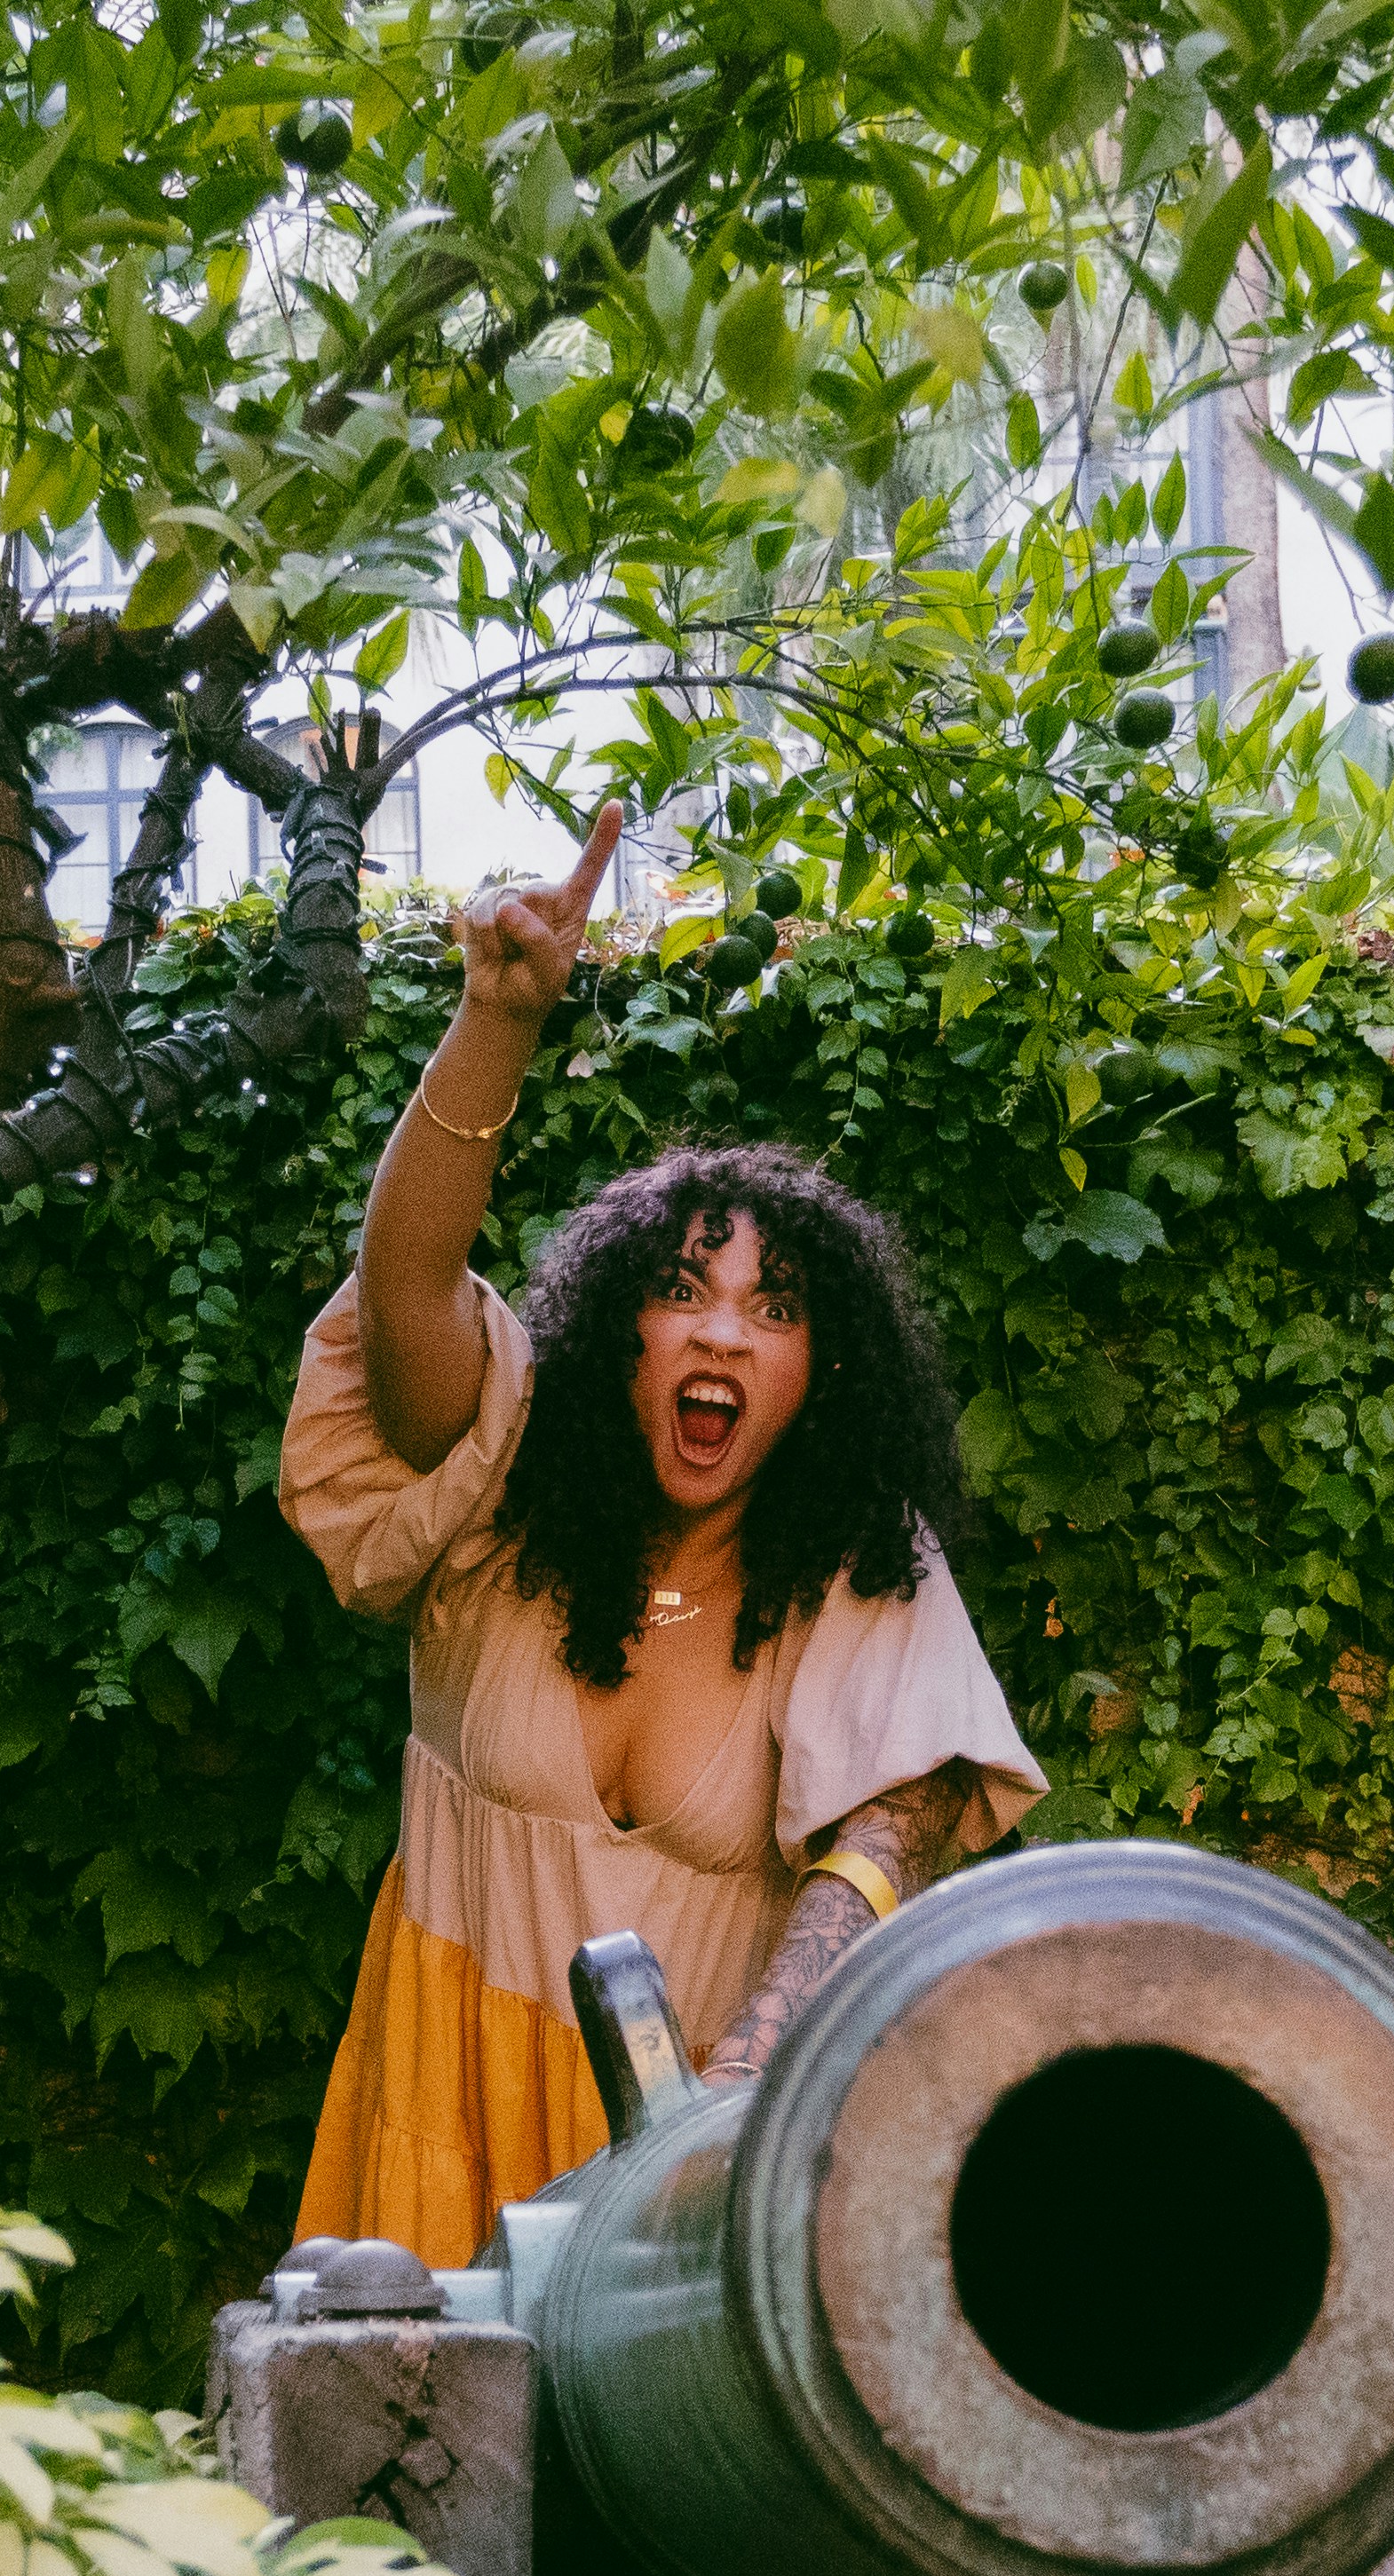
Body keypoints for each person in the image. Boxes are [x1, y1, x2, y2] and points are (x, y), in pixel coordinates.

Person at [281, 805, 1047, 2267]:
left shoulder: (850, 1569)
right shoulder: (493, 1490)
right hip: (433, 2115)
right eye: (685, 1290)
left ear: (822, 1376)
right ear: (617, 1327)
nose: (722, 1331)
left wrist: (737, 2086)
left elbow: (900, 1817)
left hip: (685, 2168)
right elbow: (408, 1287)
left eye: (775, 1310)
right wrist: (495, 1021)